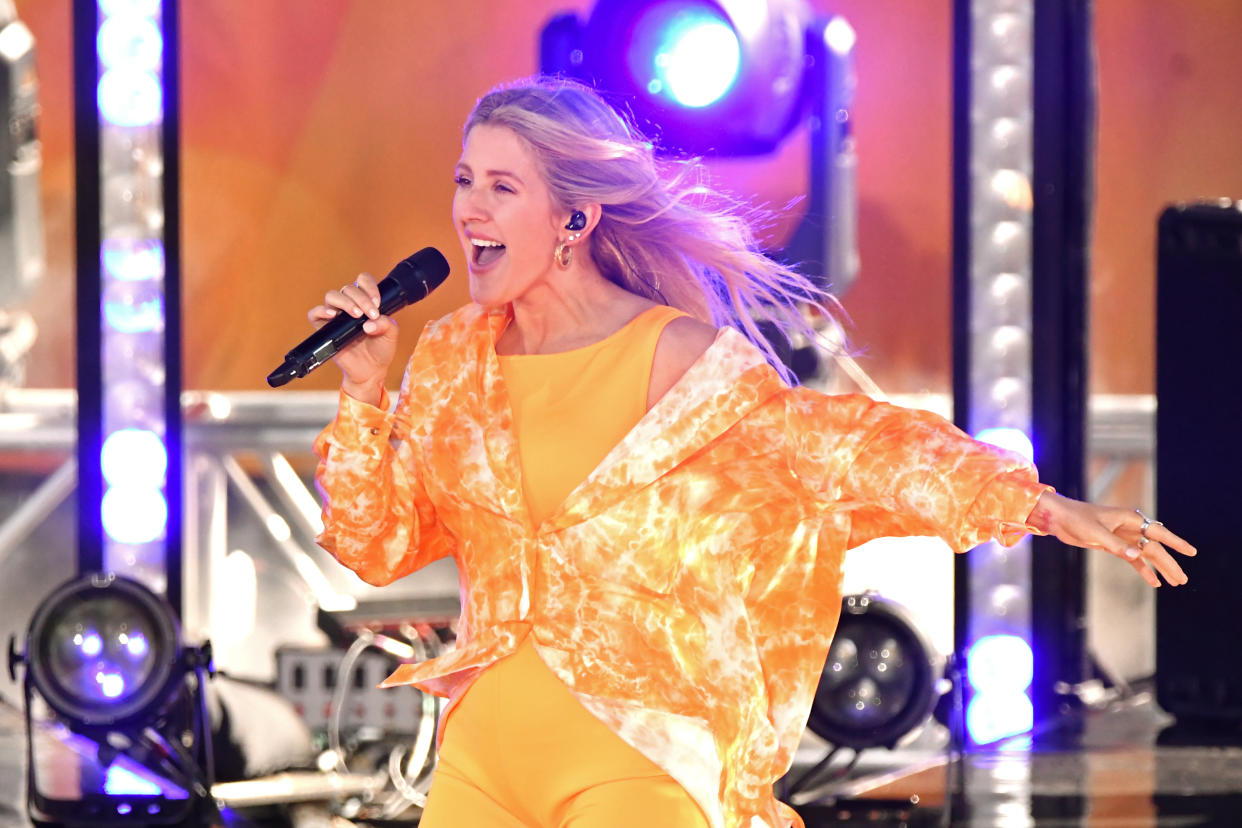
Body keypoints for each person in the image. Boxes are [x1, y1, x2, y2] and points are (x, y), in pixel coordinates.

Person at [309, 77, 1195, 828]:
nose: (469, 208)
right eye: (465, 179)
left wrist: (1043, 506)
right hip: (481, 761)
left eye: (502, 187)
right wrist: (360, 392)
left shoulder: (676, 357)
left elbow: (851, 451)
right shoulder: (452, 358)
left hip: (637, 759)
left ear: (574, 215)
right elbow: (375, 547)